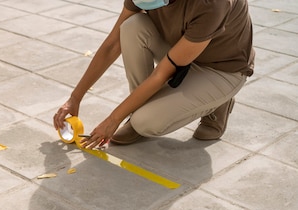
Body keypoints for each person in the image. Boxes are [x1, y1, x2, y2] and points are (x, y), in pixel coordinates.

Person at [53, 0, 255, 150]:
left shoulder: (211, 3)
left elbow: (162, 74)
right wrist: (75, 97)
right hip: (181, 51)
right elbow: (113, 45)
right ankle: (141, 111)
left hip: (221, 69)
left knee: (145, 123)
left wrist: (113, 120)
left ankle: (218, 101)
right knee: (132, 26)